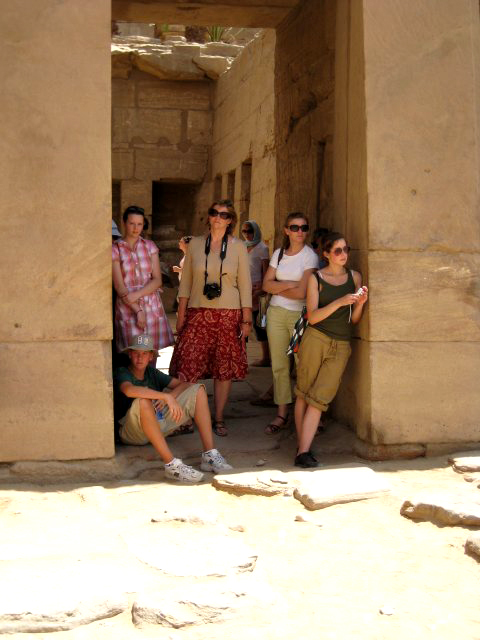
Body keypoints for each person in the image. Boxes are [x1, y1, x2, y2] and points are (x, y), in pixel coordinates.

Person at [169, 199, 252, 437]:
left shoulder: (238, 247)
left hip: (229, 314)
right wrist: (181, 314)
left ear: (230, 220)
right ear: (209, 216)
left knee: (223, 368)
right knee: (189, 365)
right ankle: (184, 416)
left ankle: (219, 417)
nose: (218, 218)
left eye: (224, 215)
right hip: (197, 311)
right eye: (215, 213)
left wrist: (246, 320)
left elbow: (245, 285)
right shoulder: (195, 244)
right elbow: (186, 282)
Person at [113, 334, 233, 483]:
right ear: (130, 354)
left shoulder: (152, 372)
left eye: (144, 354)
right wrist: (165, 396)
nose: (140, 358)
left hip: (157, 424)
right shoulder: (123, 372)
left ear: (151, 357)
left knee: (198, 390)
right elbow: (129, 390)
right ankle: (172, 466)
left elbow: (185, 384)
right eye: (136, 353)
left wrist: (171, 396)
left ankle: (209, 455)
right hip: (132, 432)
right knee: (143, 401)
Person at [294, 231, 368, 467]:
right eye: (338, 250)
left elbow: (354, 320)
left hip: (341, 344)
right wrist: (340, 302)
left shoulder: (355, 277)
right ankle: (302, 450)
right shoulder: (316, 278)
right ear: (326, 254)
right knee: (304, 393)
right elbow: (313, 317)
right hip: (316, 339)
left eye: (346, 249)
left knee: (319, 398)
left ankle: (303, 450)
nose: (343, 254)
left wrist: (360, 304)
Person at [262, 213, 319, 434]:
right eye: (294, 228)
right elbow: (266, 285)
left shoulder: (310, 256)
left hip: (299, 316)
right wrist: (289, 285)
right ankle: (282, 413)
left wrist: (278, 286)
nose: (299, 232)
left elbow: (302, 293)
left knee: (302, 364)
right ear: (286, 230)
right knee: (279, 366)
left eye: (304, 228)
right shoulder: (279, 253)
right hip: (276, 314)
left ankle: (306, 413)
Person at [112, 205, 174, 354]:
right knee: (135, 352)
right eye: (132, 223)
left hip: (151, 306)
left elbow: (157, 280)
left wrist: (137, 294)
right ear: (124, 223)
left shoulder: (150, 246)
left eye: (139, 224)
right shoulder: (115, 249)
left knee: (152, 352)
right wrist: (138, 310)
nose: (136, 228)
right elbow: (119, 286)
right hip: (128, 306)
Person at [241, 220, 270, 367]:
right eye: (244, 231)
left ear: (256, 231)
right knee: (242, 324)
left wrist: (261, 290)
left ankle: (266, 358)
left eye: (250, 231)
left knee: (260, 324)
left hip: (257, 290)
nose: (247, 234)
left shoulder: (262, 248)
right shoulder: (242, 246)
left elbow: (266, 271)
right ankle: (241, 358)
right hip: (243, 289)